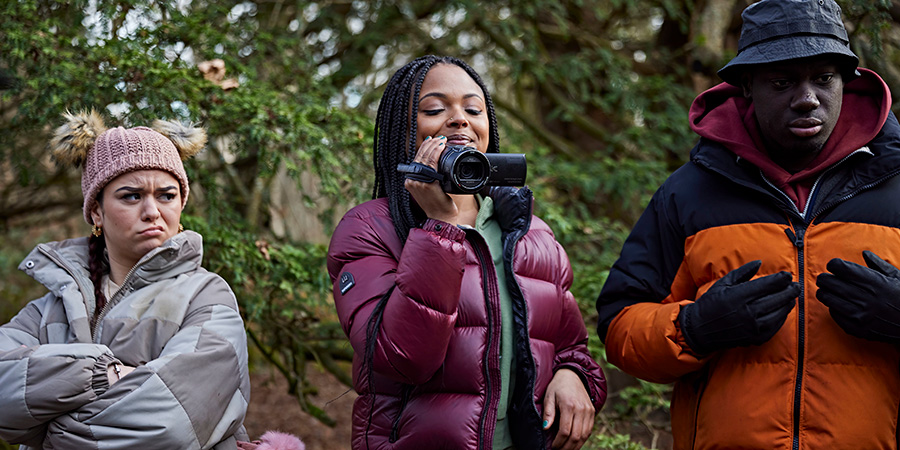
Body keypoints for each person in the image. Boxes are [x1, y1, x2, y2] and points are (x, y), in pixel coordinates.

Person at [596, 0, 900, 448]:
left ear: (847, 81)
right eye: (782, 82)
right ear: (746, 87)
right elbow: (621, 327)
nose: (807, 98)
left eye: (823, 79)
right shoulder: (688, 194)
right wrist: (696, 329)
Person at [327, 55, 607, 450]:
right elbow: (401, 356)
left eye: (473, 109)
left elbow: (570, 347)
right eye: (435, 109)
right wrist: (440, 227)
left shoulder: (530, 232)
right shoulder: (370, 228)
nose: (460, 119)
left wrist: (573, 374)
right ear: (404, 129)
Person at [0, 111, 251, 449]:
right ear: (96, 212)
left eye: (167, 195)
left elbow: (169, 425)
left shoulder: (207, 296)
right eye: (131, 196)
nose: (152, 211)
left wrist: (48, 431)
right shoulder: (50, 309)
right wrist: (104, 375)